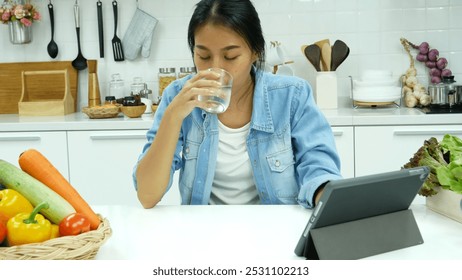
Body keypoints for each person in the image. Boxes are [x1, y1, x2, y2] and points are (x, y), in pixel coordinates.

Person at [133, 0, 342, 209]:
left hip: (275, 230)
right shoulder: (177, 96)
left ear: (256, 51)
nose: (215, 68)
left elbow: (319, 168)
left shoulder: (291, 96)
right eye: (203, 56)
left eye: (230, 56)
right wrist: (173, 116)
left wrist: (327, 199)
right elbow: (147, 195)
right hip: (203, 232)